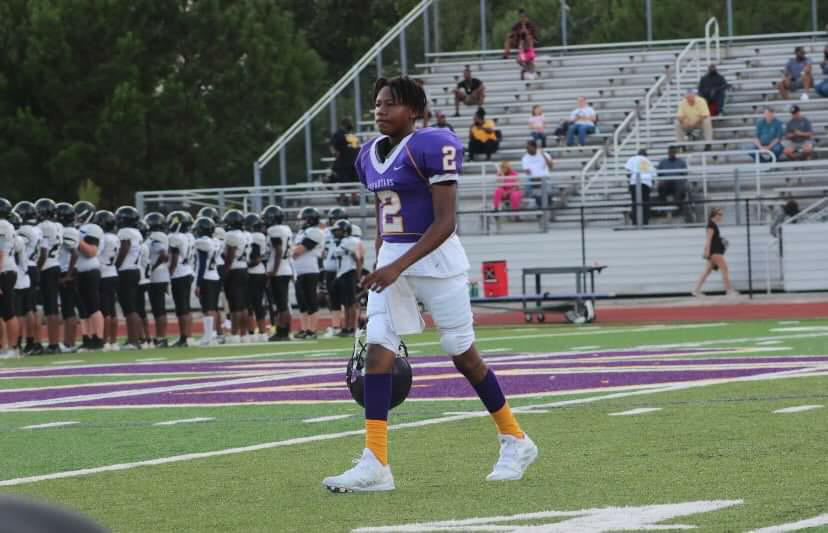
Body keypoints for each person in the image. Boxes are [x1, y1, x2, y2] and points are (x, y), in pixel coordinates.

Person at [323, 76, 536, 493]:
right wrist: (380, 261)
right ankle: (376, 463)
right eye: (378, 103)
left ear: (415, 111)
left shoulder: (431, 145)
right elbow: (385, 215)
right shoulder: (368, 154)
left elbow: (445, 222)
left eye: (391, 103)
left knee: (461, 353)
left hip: (436, 262)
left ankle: (515, 438)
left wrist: (396, 266)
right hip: (393, 262)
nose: (381, 110)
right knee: (377, 352)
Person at [12, 201, 44, 355]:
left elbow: (15, 249)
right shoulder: (37, 229)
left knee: (19, 309)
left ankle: (18, 342)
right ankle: (33, 342)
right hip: (33, 266)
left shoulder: (23, 230)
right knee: (30, 308)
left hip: (22, 268)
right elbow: (43, 252)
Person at [35, 198, 63, 354]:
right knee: (51, 307)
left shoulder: (43, 226)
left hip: (46, 267)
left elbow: (44, 252)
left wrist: (37, 270)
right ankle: (54, 343)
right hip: (55, 264)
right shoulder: (58, 226)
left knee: (48, 308)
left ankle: (52, 344)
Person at [292, 207, 324, 340]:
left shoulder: (315, 231)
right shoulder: (302, 232)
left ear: (310, 219)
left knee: (310, 300)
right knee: (302, 302)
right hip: (298, 271)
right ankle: (305, 329)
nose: (301, 222)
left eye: (303, 219)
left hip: (310, 270)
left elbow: (298, 250)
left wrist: (291, 250)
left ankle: (312, 330)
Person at [262, 205, 293, 342]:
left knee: (281, 304)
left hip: (279, 270)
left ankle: (283, 331)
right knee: (282, 303)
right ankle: (283, 331)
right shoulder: (286, 229)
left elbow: (279, 250)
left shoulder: (274, 230)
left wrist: (273, 271)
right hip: (285, 268)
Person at [114, 206, 143, 349]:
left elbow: (124, 248)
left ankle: (133, 341)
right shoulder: (137, 232)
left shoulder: (124, 232)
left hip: (126, 271)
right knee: (132, 307)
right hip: (134, 270)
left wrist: (115, 266)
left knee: (129, 308)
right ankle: (135, 338)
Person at [692, 207, 736, 297]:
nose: (721, 216)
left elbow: (711, 240)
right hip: (715, 252)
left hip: (713, 251)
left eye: (722, 214)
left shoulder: (713, 225)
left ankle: (696, 290)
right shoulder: (711, 226)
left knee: (707, 272)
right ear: (714, 215)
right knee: (724, 269)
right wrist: (707, 252)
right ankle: (728, 291)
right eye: (720, 214)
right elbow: (708, 240)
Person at [166, 211, 194, 347]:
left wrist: (168, 275)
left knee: (181, 308)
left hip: (178, 274)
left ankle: (184, 338)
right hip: (187, 271)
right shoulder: (189, 236)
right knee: (186, 308)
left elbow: (174, 258)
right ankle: (188, 336)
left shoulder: (175, 237)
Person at [222, 209, 250, 344]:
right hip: (244, 268)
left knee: (235, 306)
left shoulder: (231, 235)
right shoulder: (245, 235)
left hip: (234, 270)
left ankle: (234, 334)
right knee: (243, 305)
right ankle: (244, 334)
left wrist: (225, 272)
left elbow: (230, 256)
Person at [193, 217, 221, 346]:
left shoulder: (202, 242)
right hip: (215, 276)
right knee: (213, 307)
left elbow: (202, 264)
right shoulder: (215, 241)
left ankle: (208, 336)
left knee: (207, 308)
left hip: (206, 277)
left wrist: (198, 283)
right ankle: (212, 334)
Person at [144, 212, 170, 347]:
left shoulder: (156, 236)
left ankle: (161, 337)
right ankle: (161, 336)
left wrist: (153, 267)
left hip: (157, 276)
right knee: (159, 308)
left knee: (158, 308)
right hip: (162, 274)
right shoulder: (163, 235)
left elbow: (164, 254)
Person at [332, 219, 361, 337]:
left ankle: (351, 327)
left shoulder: (350, 241)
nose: (336, 233)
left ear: (345, 231)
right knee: (346, 303)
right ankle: (346, 327)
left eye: (338, 230)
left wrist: (358, 277)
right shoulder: (342, 241)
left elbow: (357, 259)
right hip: (342, 273)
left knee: (351, 302)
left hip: (349, 273)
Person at [322, 207, 347, 337]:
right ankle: (336, 326)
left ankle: (349, 326)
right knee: (333, 299)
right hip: (330, 268)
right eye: (332, 219)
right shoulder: (326, 232)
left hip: (345, 269)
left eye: (335, 219)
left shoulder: (350, 231)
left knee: (348, 300)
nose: (333, 222)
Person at [0, 198, 20, 358]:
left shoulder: (2, 225)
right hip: (7, 269)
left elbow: (0, 252)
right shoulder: (7, 225)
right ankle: (4, 346)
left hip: (4, 271)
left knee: (8, 311)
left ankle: (13, 348)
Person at [244, 213, 268, 341]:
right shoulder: (260, 236)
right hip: (260, 272)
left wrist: (245, 266)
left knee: (251, 304)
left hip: (254, 272)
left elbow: (256, 258)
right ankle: (261, 332)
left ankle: (253, 332)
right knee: (257, 303)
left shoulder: (254, 237)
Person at [656, 146, 689, 220]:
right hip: (666, 183)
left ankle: (677, 210)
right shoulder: (663, 162)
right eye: (670, 152)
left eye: (673, 152)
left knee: (680, 187)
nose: (672, 154)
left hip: (677, 183)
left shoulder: (681, 162)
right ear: (668, 153)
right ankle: (664, 210)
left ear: (675, 153)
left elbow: (685, 175)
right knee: (661, 187)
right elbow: (658, 174)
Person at [520, 139, 553, 211]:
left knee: (546, 188)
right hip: (533, 180)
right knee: (529, 184)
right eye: (526, 148)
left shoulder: (544, 154)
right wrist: (535, 178)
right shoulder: (525, 157)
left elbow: (551, 166)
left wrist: (544, 156)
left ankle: (542, 204)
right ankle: (540, 204)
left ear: (534, 147)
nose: (527, 150)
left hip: (545, 178)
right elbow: (527, 172)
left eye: (528, 148)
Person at [625, 149, 655, 226]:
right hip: (646, 183)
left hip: (634, 182)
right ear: (646, 155)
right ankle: (645, 222)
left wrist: (629, 183)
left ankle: (635, 222)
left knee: (635, 202)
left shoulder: (632, 158)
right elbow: (653, 176)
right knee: (645, 203)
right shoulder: (648, 161)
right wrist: (652, 186)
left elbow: (628, 172)